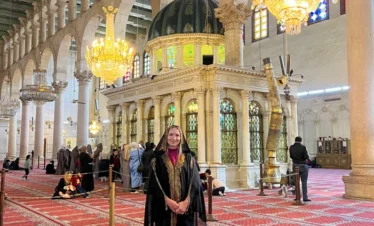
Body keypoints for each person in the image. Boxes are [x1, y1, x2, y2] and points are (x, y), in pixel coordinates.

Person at [144, 125, 206, 225]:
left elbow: (195, 182)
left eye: (177, 135)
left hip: (184, 210)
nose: (174, 138)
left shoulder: (188, 158)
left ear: (181, 138)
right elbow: (153, 184)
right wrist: (167, 201)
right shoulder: (157, 159)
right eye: (171, 135)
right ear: (166, 137)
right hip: (163, 209)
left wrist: (186, 202)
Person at [290, 136, 311, 202]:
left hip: (295, 165)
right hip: (303, 166)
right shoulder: (303, 147)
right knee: (304, 182)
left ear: (295, 140)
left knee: (296, 182)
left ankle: (297, 197)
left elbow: (291, 156)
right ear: (301, 140)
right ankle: (305, 197)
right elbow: (306, 156)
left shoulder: (291, 147)